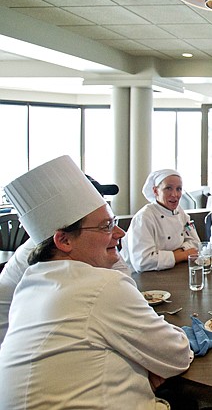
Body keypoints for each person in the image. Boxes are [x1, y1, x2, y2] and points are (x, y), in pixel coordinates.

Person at [0, 155, 192, 408]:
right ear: (64, 240)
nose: (120, 233)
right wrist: (148, 366)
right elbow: (177, 353)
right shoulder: (103, 286)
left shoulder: (31, 284)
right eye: (106, 227)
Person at [0, 176, 129, 344]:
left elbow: (122, 277)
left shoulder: (80, 242)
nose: (118, 232)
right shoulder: (45, 252)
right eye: (104, 224)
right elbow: (117, 295)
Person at [122, 169, 201, 272]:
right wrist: (182, 255)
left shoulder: (180, 213)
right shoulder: (144, 217)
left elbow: (195, 243)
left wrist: (178, 252)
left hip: (172, 270)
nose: (175, 194)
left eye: (179, 189)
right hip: (141, 278)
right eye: (168, 188)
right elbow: (142, 262)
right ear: (155, 191)